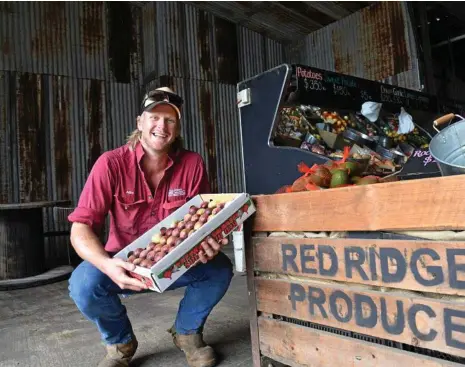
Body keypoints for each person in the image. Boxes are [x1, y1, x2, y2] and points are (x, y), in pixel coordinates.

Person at [67, 87, 234, 367]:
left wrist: (210, 240)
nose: (161, 126)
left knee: (219, 269)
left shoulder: (192, 164)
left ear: (177, 128)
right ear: (140, 122)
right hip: (125, 265)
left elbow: (203, 220)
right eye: (154, 116)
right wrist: (108, 266)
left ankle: (187, 333)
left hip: (177, 261)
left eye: (170, 120)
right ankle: (120, 344)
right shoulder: (110, 164)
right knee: (83, 284)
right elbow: (80, 227)